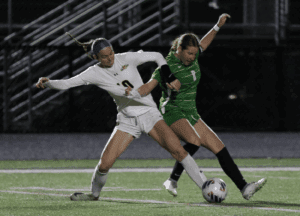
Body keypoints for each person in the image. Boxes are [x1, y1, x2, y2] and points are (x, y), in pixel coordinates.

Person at [36, 36, 208, 201]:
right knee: (104, 165)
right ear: (95, 57)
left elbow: (157, 56)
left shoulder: (125, 58)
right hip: (127, 119)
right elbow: (67, 84)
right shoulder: (93, 73)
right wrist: (49, 82)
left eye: (111, 53)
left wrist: (168, 74)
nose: (110, 58)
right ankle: (93, 195)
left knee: (178, 151)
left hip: (148, 113)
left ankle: (206, 188)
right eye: (104, 56)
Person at [125, 13, 267, 200]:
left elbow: (203, 44)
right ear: (179, 49)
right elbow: (147, 88)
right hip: (172, 111)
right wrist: (131, 90)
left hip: (191, 112)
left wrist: (217, 26)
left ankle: (244, 188)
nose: (193, 57)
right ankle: (172, 179)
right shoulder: (166, 67)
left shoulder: (193, 55)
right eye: (189, 53)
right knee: (194, 141)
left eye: (195, 53)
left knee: (219, 147)